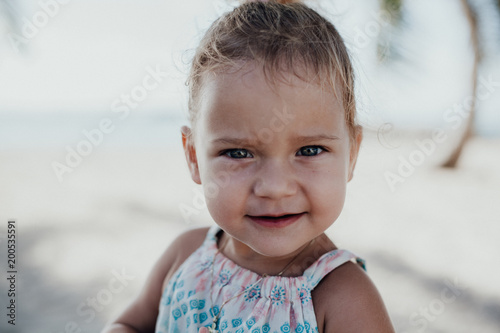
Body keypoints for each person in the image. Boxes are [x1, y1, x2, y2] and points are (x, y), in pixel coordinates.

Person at [102, 0, 395, 332]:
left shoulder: (343, 299)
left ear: (352, 156)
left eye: (310, 149)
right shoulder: (186, 255)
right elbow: (128, 324)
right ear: (195, 158)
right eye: (239, 153)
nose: (274, 187)